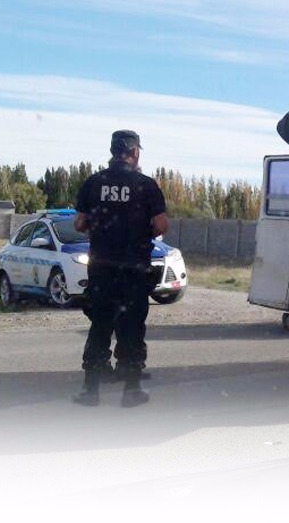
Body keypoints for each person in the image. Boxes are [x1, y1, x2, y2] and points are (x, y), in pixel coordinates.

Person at [72, 130, 168, 407]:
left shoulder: (94, 183)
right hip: (133, 269)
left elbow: (79, 224)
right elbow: (161, 225)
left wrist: (103, 229)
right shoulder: (146, 185)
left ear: (113, 150)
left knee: (100, 324)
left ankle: (90, 391)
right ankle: (131, 390)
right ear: (135, 152)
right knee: (132, 326)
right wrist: (139, 232)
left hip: (101, 267)